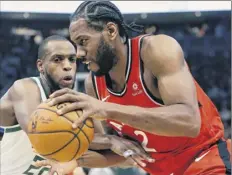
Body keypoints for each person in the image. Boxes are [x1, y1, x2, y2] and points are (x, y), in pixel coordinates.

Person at [35, 1, 232, 175]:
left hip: (207, 159)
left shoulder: (156, 50)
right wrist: (71, 159)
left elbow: (189, 122)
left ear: (111, 31)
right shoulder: (94, 84)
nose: (78, 53)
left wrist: (106, 109)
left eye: (83, 41)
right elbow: (125, 154)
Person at [1, 35, 149, 175]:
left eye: (72, 59)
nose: (67, 66)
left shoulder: (80, 103)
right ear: (40, 66)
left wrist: (127, 151)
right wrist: (110, 141)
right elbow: (39, 134)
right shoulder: (25, 88)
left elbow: (118, 156)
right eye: (57, 59)